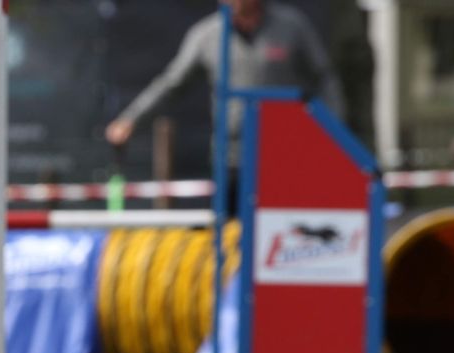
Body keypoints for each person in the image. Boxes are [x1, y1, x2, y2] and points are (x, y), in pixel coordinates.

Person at [105, 0, 344, 207]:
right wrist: (130, 119)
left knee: (277, 231)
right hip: (231, 159)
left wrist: (332, 127)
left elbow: (324, 77)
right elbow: (170, 84)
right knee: (228, 235)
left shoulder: (291, 26)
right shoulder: (207, 34)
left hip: (283, 157)